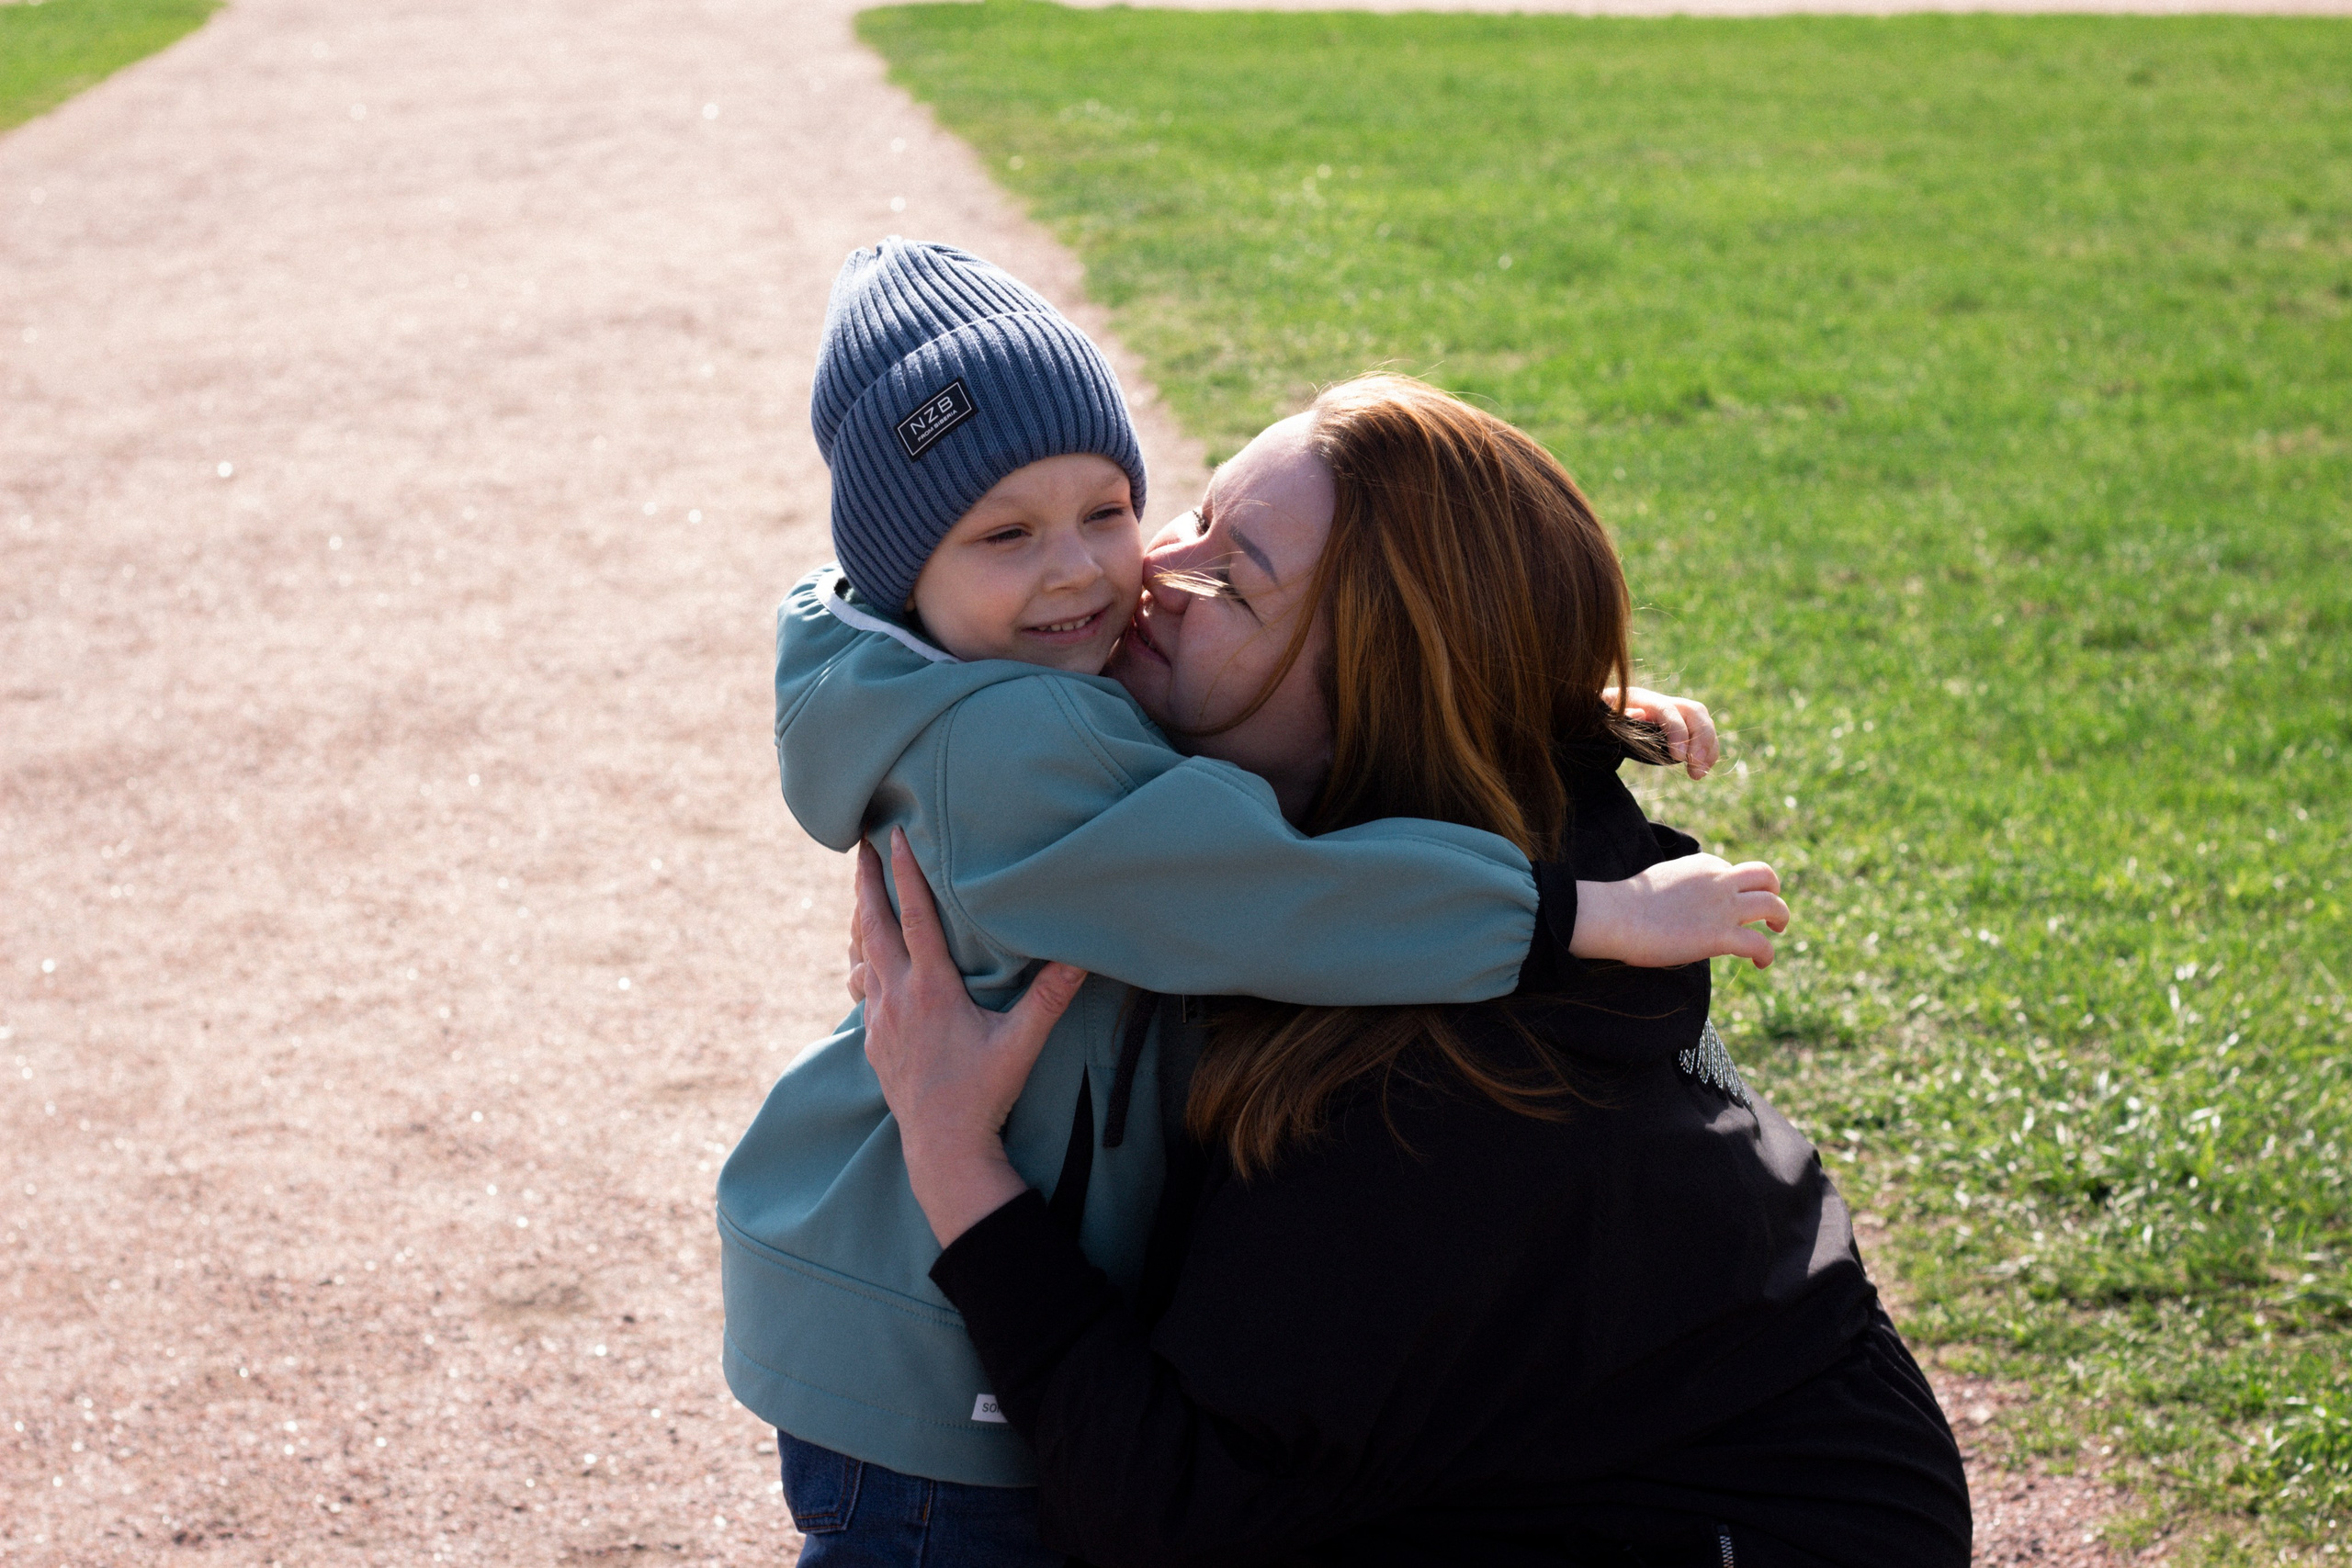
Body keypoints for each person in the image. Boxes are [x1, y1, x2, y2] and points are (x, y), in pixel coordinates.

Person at [718, 242, 1785, 1566]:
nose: (1109, 576)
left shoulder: (990, 660)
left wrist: (1550, 701)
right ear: (904, 575)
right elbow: (1287, 892)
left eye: (1110, 508)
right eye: (1005, 534)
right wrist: (1585, 917)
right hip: (930, 1364)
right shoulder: (1002, 749)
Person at [855, 375, 1973, 1566]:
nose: (1151, 574)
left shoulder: (1421, 1095)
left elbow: (1166, 1513)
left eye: (1232, 581)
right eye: (1195, 513)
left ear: (1368, 713)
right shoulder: (1401, 852)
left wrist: (954, 1155)